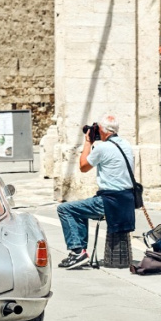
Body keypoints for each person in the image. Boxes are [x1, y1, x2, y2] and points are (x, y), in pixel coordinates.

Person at [56, 114, 136, 269]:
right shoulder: (125, 144)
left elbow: (83, 166)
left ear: (103, 131)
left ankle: (77, 251)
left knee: (65, 209)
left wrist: (88, 142)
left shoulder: (102, 148)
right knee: (80, 210)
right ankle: (80, 252)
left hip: (109, 203)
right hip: (126, 202)